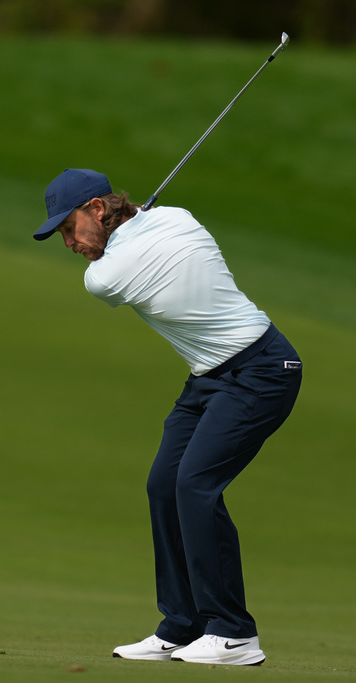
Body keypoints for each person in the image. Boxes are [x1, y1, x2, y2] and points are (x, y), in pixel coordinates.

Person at [33, 168, 302, 666]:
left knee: (195, 485)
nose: (69, 243)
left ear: (97, 208)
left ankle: (234, 632)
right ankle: (182, 625)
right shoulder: (178, 217)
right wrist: (135, 221)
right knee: (164, 484)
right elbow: (154, 230)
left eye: (69, 228)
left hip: (262, 370)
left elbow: (117, 265)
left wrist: (130, 230)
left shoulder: (103, 276)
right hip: (209, 378)